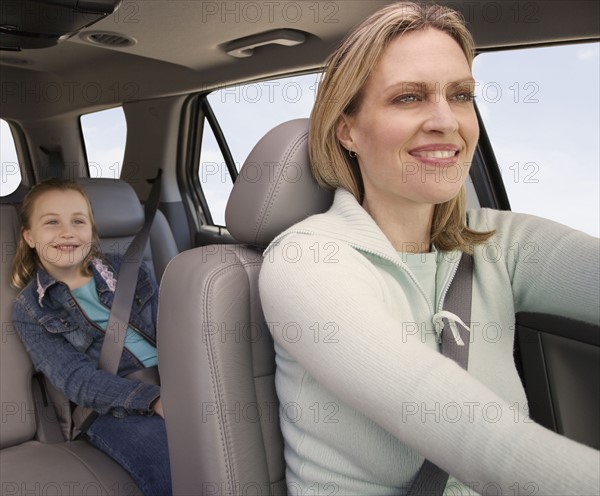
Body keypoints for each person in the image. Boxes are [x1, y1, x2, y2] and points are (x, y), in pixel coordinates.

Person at [258, 2, 600, 495]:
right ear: (347, 129)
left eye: (460, 95)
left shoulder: (500, 244)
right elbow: (476, 437)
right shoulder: (306, 262)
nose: (446, 121)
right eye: (409, 98)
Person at [11, 178, 171, 496]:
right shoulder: (30, 309)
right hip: (110, 407)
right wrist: (151, 400)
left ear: (92, 232)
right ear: (29, 236)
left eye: (78, 221)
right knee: (169, 465)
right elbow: (78, 381)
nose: (67, 232)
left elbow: (172, 330)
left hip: (174, 379)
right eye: (52, 222)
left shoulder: (130, 272)